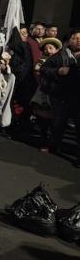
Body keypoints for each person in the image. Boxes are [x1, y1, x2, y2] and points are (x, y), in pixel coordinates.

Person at [40, 30, 80, 167]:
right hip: (61, 96)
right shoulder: (60, 55)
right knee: (58, 123)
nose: (78, 40)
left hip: (78, 98)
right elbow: (44, 69)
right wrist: (58, 71)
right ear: (69, 40)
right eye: (75, 38)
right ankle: (53, 146)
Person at [31, 37, 62, 152]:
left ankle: (52, 142)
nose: (48, 50)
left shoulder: (60, 61)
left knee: (55, 120)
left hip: (56, 93)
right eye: (46, 48)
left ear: (56, 50)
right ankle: (44, 141)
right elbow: (37, 73)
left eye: (51, 48)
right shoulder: (41, 61)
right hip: (43, 92)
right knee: (43, 118)